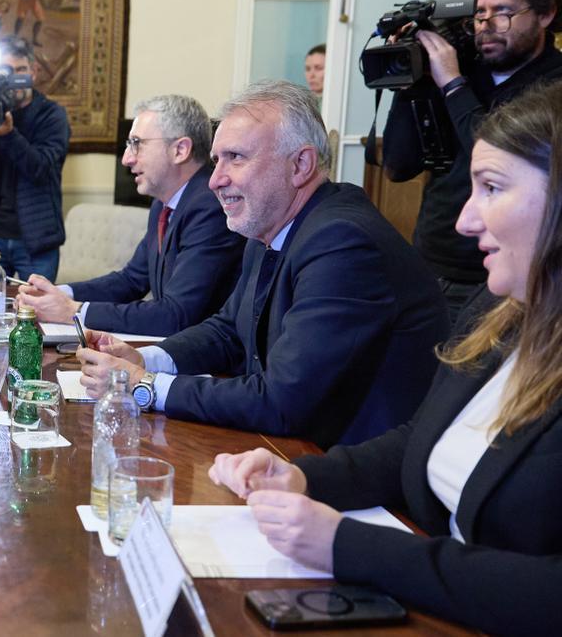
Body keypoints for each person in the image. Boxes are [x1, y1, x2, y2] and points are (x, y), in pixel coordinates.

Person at [207, 80, 562, 636]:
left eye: (492, 187)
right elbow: (419, 440)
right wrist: (302, 477)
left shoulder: (341, 234)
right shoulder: (501, 306)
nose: (465, 221)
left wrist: (346, 545)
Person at [78, 81, 449, 448]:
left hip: (350, 472)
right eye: (216, 160)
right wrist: (143, 359)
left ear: (300, 164)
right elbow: (227, 331)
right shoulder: (272, 224)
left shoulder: (343, 242)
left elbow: (282, 400)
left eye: (235, 158)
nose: (215, 181)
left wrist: (144, 386)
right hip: (289, 448)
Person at [384, 0, 562, 324]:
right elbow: (398, 166)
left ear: (545, 15)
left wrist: (452, 85)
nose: (487, 25)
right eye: (480, 13)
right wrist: (412, 80)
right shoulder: (459, 67)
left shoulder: (554, 85)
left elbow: (501, 154)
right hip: (428, 259)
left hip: (500, 276)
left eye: (503, 12)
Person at [17, 95, 244, 336]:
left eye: (137, 143)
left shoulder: (210, 208)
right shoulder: (163, 204)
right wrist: (61, 293)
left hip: (210, 366)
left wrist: (74, 310)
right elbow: (131, 280)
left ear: (180, 150)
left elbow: (176, 315)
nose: (127, 158)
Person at [0, 39, 70, 283]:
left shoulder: (52, 115)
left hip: (35, 240)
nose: (12, 77)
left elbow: (41, 169)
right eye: (5, 70)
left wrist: (9, 135)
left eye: (19, 70)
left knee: (36, 313)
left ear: (33, 72)